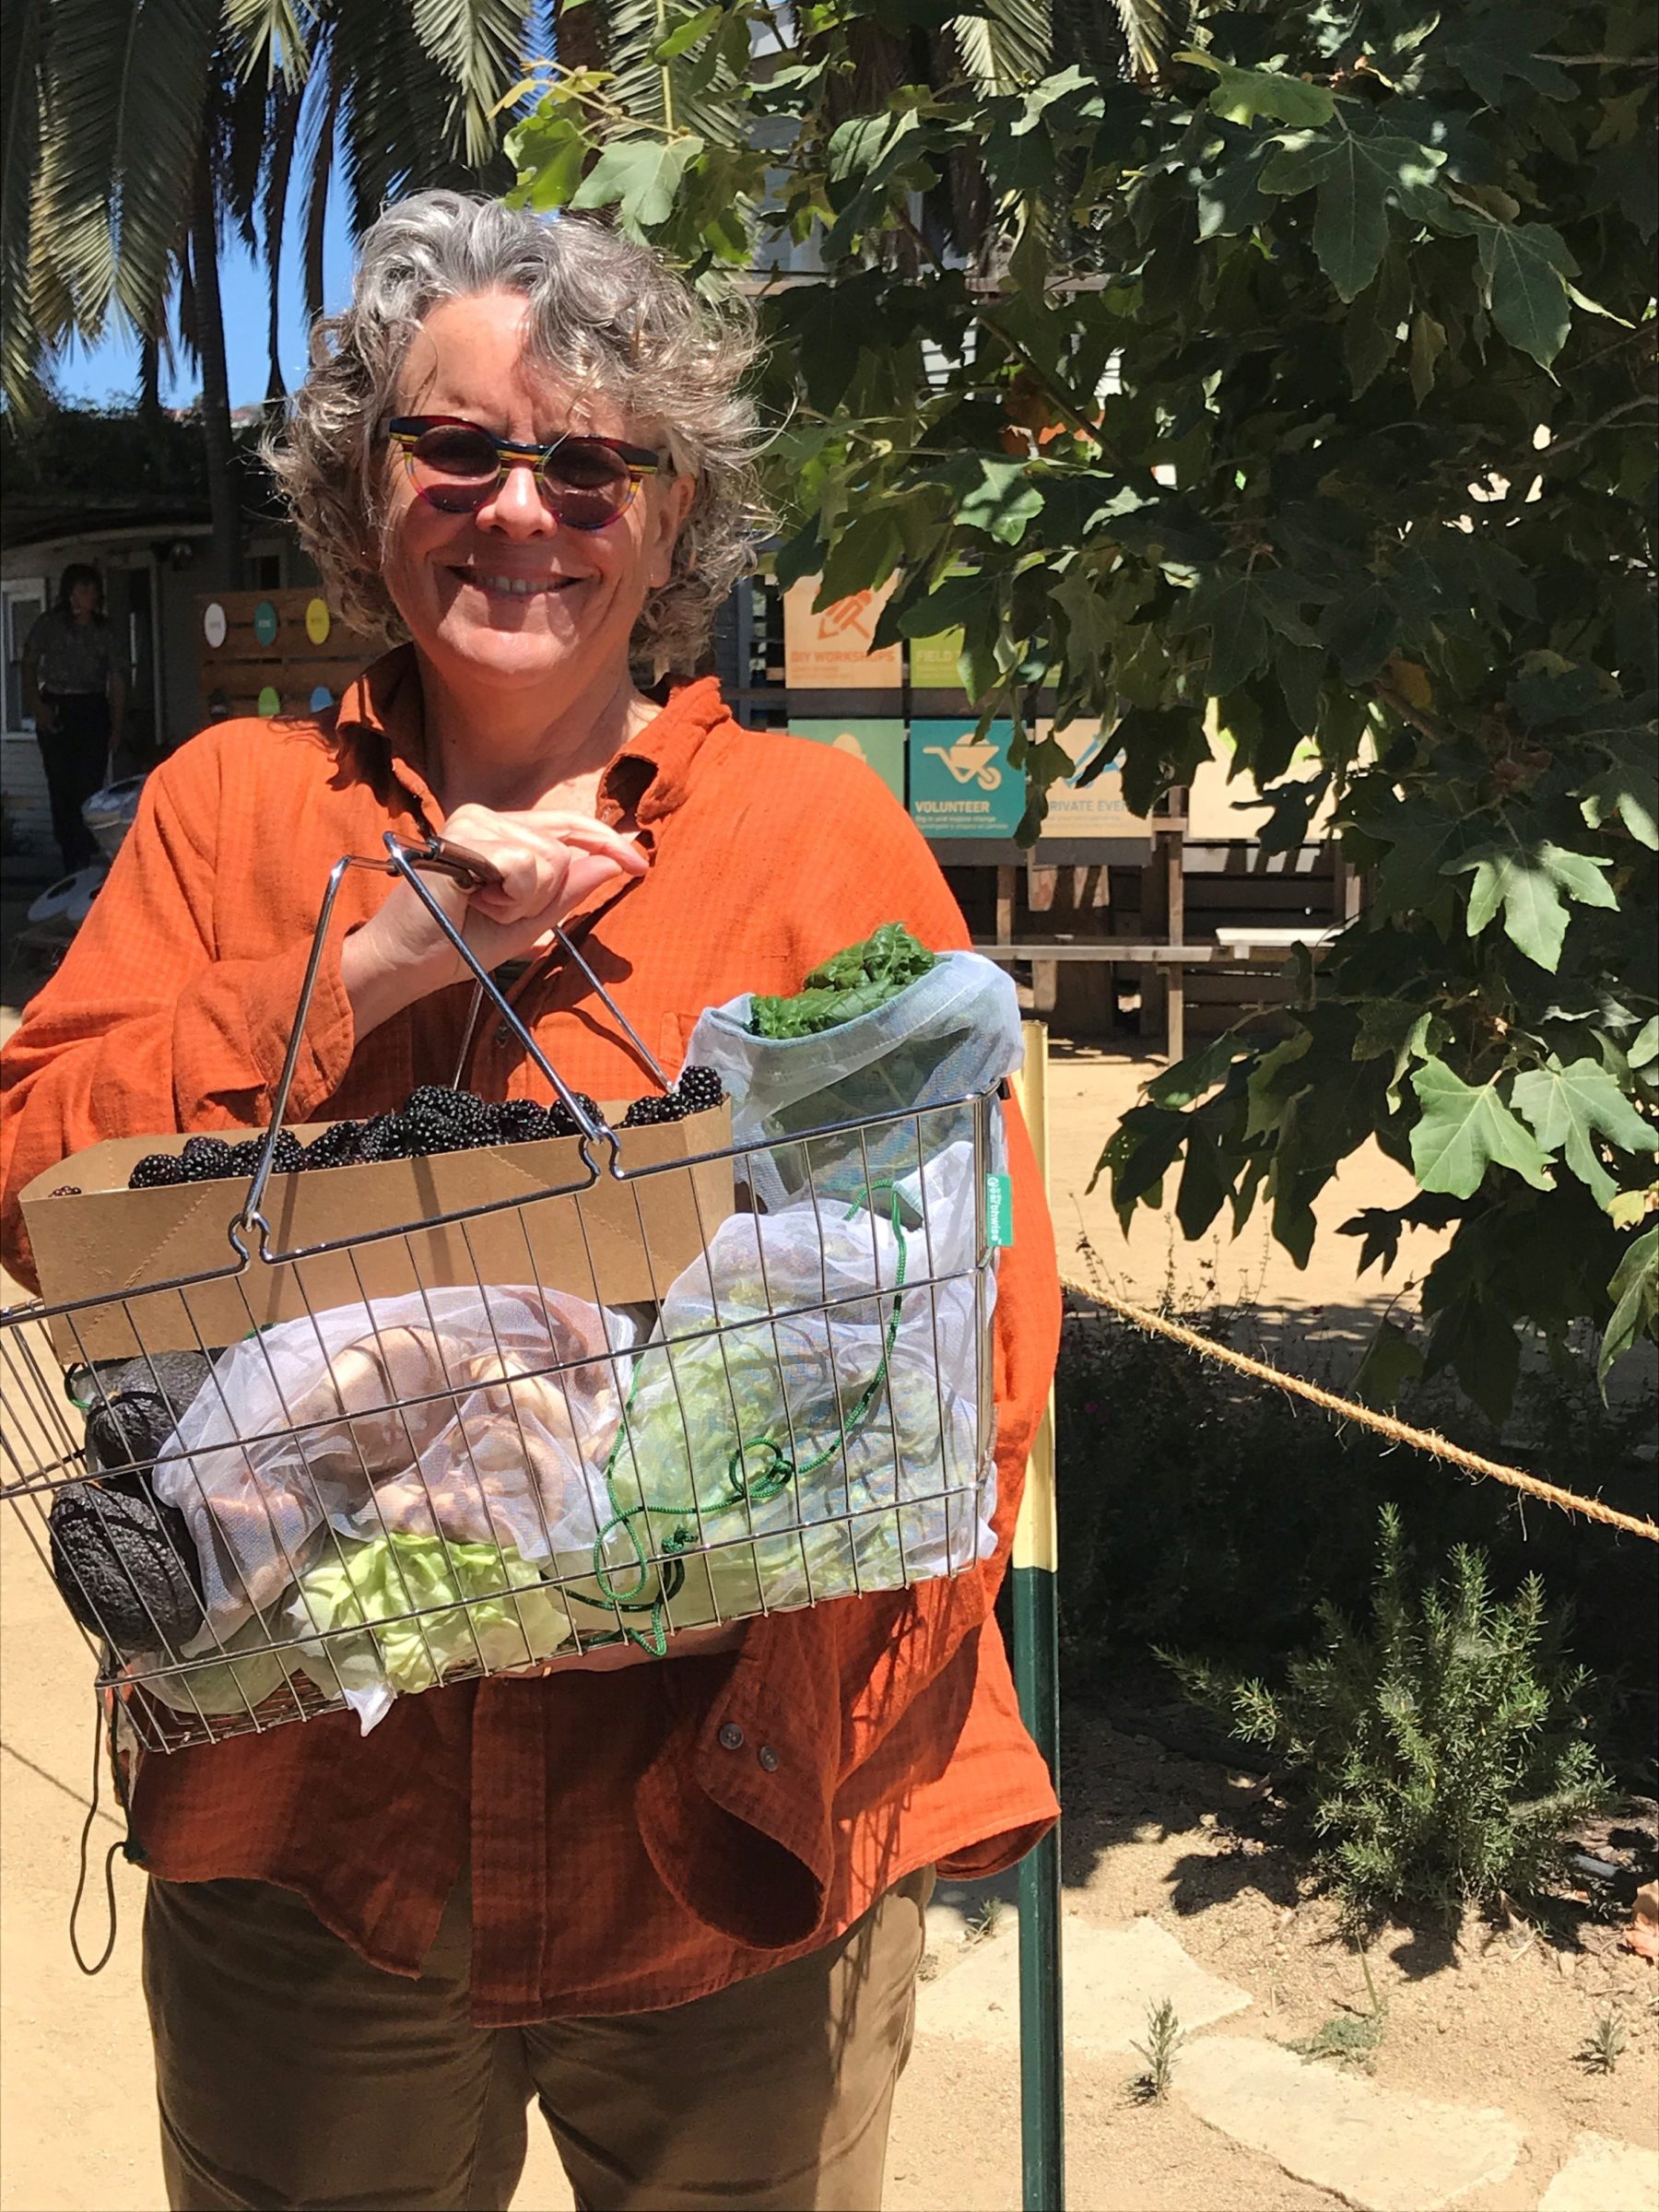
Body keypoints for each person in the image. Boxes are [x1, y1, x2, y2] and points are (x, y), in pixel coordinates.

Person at [0, 192, 1059, 2212]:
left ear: (671, 517)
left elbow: (981, 1325)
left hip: (722, 1851)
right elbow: (42, 1191)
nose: (522, 511)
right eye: (459, 447)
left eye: (590, 463)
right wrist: (367, 964)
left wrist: (729, 1590)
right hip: (319, 1843)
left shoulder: (810, 838)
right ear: (361, 482)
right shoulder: (238, 812)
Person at [21, 561, 127, 876]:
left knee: (89, 785)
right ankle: (69, 855)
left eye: (94, 589)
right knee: (61, 783)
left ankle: (85, 852)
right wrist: (37, 706)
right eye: (84, 589)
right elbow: (28, 665)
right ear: (70, 593)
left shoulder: (104, 631)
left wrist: (117, 725)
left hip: (92, 707)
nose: (90, 595)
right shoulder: (49, 625)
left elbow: (118, 678)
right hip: (57, 705)